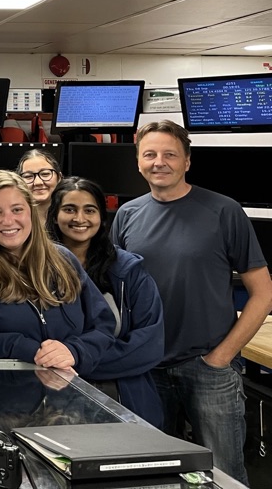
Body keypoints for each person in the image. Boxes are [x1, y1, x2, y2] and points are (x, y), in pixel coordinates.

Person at [112, 120, 272, 483]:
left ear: (187, 161)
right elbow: (115, 291)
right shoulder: (127, 215)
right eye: (150, 154)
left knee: (224, 475)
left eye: (170, 154)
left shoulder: (223, 210)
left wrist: (222, 357)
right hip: (146, 368)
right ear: (138, 161)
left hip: (208, 369)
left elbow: (263, 293)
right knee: (154, 474)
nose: (159, 162)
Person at [0, 170, 114, 377]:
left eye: (17, 209)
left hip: (66, 394)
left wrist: (74, 351)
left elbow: (103, 324)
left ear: (31, 212)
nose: (8, 221)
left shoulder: (63, 259)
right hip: (0, 398)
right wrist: (21, 347)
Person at [46, 177, 165, 427]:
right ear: (54, 215)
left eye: (90, 210)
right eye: (69, 209)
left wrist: (76, 359)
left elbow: (149, 344)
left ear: (101, 217)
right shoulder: (33, 269)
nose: (80, 218)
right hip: (51, 401)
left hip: (126, 398)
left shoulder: (129, 271)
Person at [16, 148, 63, 229]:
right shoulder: (14, 221)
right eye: (28, 176)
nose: (38, 182)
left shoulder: (71, 217)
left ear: (59, 178)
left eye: (45, 174)